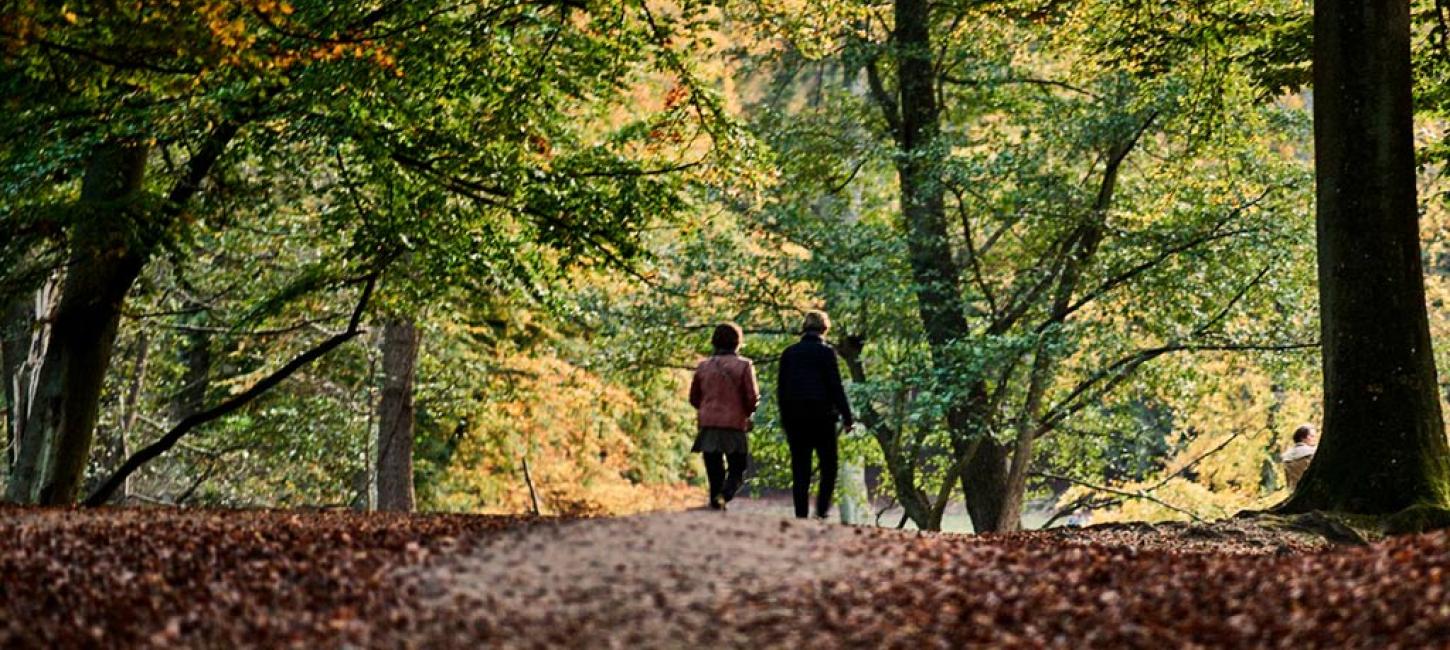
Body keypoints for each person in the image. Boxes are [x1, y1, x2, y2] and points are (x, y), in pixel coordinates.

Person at [777, 310, 853, 519]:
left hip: (795, 418)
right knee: (829, 465)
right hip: (822, 417)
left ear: (804, 328)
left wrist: (784, 419)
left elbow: (781, 390)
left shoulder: (789, 353)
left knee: (800, 466)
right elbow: (835, 386)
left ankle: (800, 514)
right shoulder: (826, 352)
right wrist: (848, 418)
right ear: (824, 329)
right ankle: (821, 511)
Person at [688, 322, 759, 511]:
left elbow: (694, 397)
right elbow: (751, 397)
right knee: (738, 467)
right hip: (734, 424)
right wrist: (748, 413)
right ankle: (724, 495)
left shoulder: (703, 367)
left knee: (714, 467)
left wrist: (707, 409)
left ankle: (715, 500)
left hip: (709, 424)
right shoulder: (744, 365)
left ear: (714, 342)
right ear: (737, 342)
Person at [1281, 423, 1318, 488]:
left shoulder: (1286, 456)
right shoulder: (1312, 453)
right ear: (1302, 438)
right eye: (1312, 436)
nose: (1315, 439)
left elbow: (1288, 482)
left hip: (1295, 491)